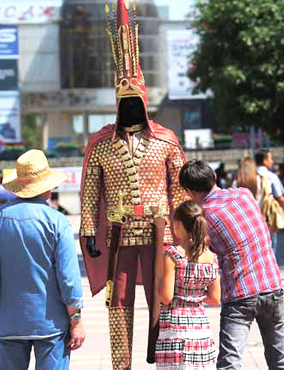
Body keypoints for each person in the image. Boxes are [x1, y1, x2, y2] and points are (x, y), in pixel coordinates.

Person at [78, 2, 188, 368]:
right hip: (121, 233)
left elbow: (181, 191)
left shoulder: (165, 139)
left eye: (134, 101)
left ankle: (164, 357)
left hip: (162, 233)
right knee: (119, 300)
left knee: (164, 297)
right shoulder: (101, 143)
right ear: (116, 101)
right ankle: (121, 364)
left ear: (143, 101)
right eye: (123, 101)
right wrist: (90, 231)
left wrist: (186, 229)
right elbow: (91, 190)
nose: (129, 106)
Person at [179, 160, 284, 370]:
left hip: (240, 294)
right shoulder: (244, 194)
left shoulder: (204, 218)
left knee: (230, 362)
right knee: (279, 358)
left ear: (189, 191)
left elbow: (201, 256)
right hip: (272, 285)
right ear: (214, 177)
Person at [0, 149, 85, 369]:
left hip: (8, 321)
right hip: (50, 323)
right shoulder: (56, 221)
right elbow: (68, 278)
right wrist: (76, 320)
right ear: (49, 186)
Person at [155, 200, 220, 369]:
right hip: (201, 328)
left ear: (177, 225)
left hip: (175, 327)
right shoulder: (211, 257)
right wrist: (194, 297)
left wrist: (159, 282)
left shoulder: (173, 255)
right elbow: (215, 299)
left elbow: (167, 297)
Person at [255, 149, 284, 255]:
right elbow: (280, 198)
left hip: (252, 216)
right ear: (264, 160)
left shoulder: (249, 176)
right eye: (270, 159)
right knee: (271, 245)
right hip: (267, 216)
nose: (272, 162)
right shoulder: (271, 176)